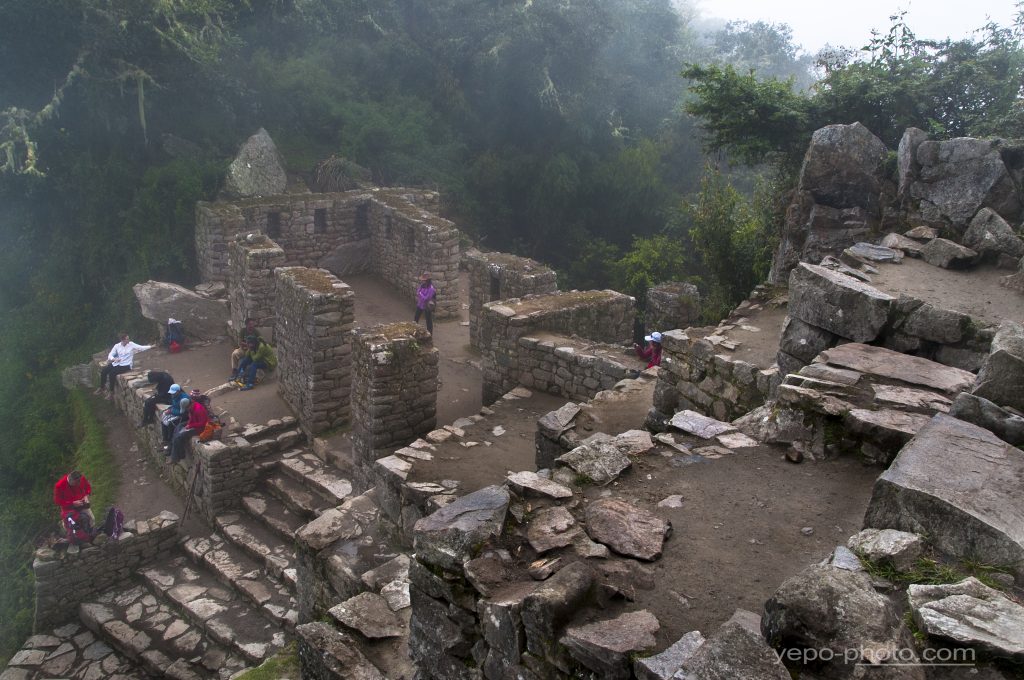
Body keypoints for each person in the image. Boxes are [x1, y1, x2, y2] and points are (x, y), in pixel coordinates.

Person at [97, 332, 152, 398]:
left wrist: (151, 346)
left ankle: (111, 392)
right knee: (104, 371)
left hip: (126, 365)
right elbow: (110, 355)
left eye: (128, 339)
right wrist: (114, 359)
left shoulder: (131, 344)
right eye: (127, 339)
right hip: (117, 363)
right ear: (122, 340)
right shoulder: (117, 346)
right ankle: (102, 388)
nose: (128, 340)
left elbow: (141, 347)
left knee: (112, 373)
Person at [170, 391, 208, 462]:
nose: (186, 410)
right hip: (194, 423)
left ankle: (178, 456)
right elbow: (191, 418)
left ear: (189, 405)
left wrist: (190, 425)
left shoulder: (198, 410)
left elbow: (203, 423)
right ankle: (173, 450)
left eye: (186, 409)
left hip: (200, 428)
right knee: (178, 427)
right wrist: (188, 424)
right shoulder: (191, 407)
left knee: (180, 436)